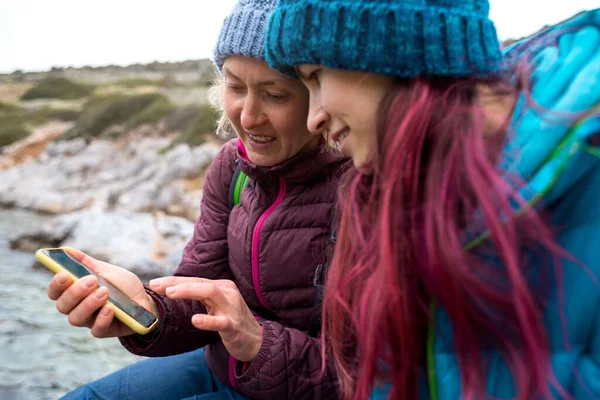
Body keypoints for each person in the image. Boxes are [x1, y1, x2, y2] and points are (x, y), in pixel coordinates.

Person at [265, 1, 600, 399]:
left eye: (316, 75)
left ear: (395, 47)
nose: (312, 119)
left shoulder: (587, 169)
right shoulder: (395, 192)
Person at [47, 0, 347, 398]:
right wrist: (149, 309)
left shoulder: (362, 185)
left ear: (321, 98)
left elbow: (371, 374)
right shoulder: (233, 168)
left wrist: (256, 343)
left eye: (275, 94)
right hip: (223, 363)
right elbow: (201, 288)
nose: (248, 116)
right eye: (235, 87)